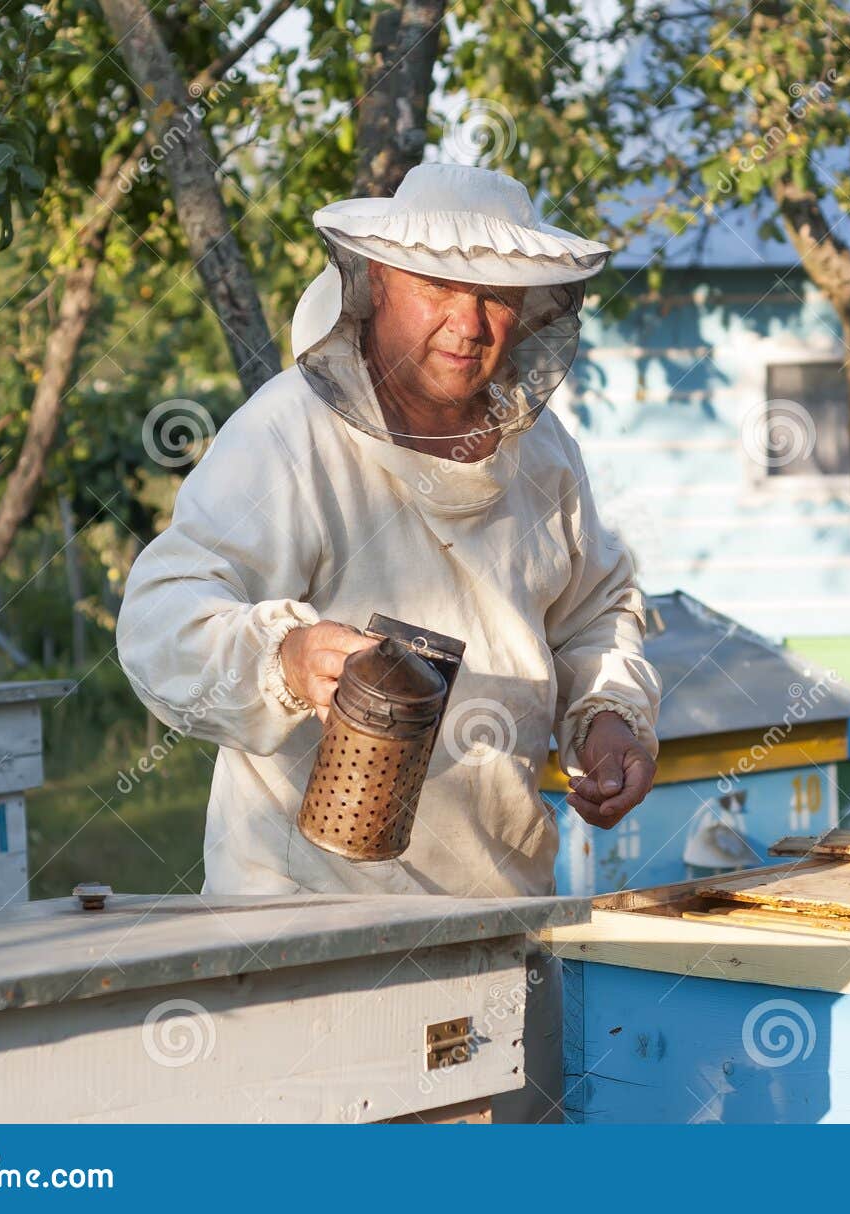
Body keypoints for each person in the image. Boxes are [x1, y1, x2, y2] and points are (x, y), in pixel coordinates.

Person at [115, 162, 662, 1121]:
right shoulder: (290, 437)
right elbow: (161, 617)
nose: (470, 322)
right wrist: (280, 659)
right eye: (439, 287)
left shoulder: (544, 453)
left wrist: (611, 710)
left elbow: (595, 609)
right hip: (315, 934)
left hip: (498, 916)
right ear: (375, 288)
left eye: (497, 298)